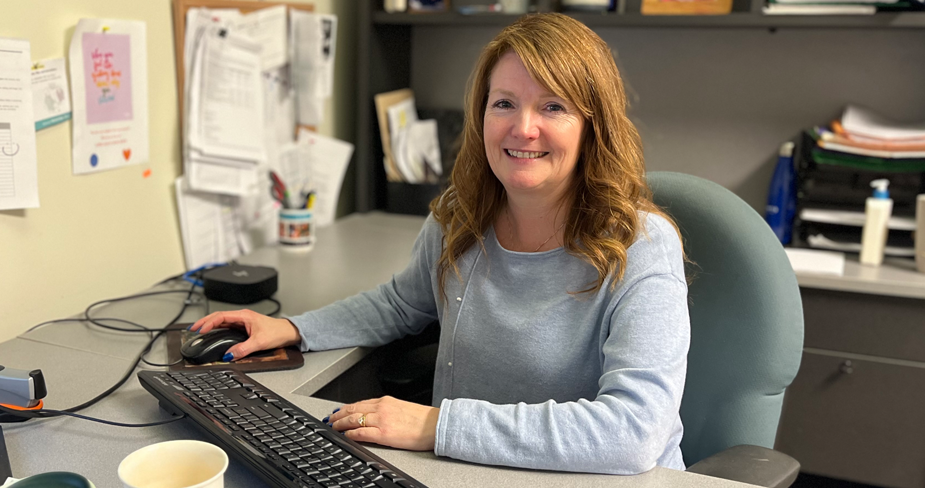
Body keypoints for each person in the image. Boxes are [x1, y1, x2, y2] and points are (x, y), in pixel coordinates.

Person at [190, 13, 690, 475]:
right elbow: (400, 303)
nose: (523, 128)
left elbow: (634, 432)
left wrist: (435, 426)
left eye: (553, 107)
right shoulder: (463, 214)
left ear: (592, 126)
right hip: (466, 472)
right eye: (504, 104)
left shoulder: (640, 246)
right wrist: (293, 327)